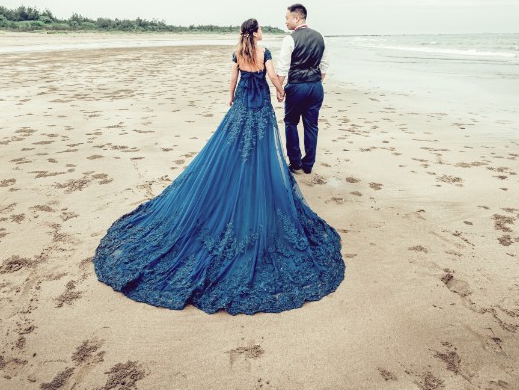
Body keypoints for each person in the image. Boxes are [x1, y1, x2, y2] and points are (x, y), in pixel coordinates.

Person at [93, 18, 345, 315]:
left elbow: (233, 80)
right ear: (255, 32)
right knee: (261, 144)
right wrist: (280, 90)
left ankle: (239, 175)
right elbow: (273, 76)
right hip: (259, 106)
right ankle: (253, 181)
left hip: (242, 105)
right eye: (260, 28)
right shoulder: (262, 52)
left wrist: (230, 98)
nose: (263, 32)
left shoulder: (238, 52)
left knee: (235, 143)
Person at [277, 4, 329, 174]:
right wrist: (314, 81)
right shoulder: (320, 37)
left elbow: (283, 67)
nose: (285, 21)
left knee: (291, 122)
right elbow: (324, 65)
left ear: (297, 18)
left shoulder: (290, 39)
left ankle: (295, 162)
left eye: (287, 18)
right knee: (311, 125)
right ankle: (308, 165)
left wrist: (279, 88)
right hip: (315, 87)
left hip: (297, 86)